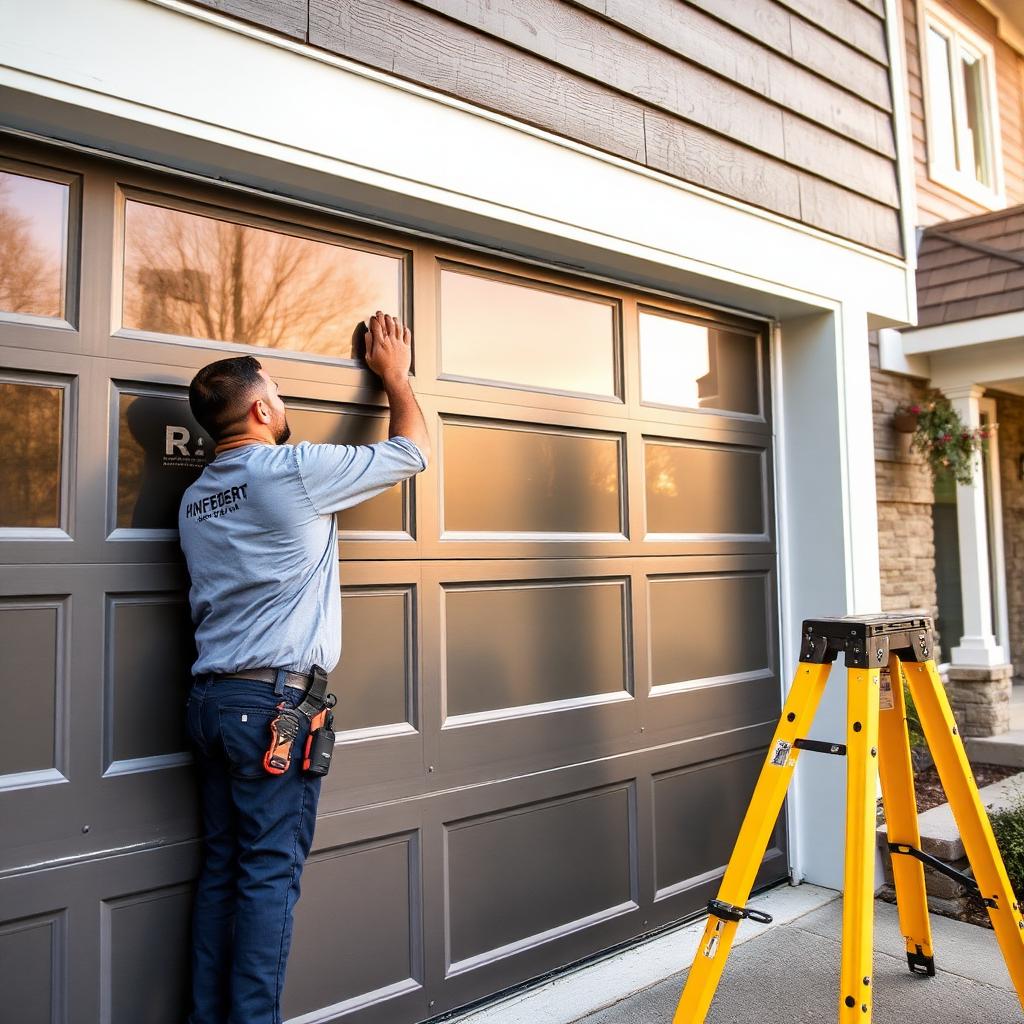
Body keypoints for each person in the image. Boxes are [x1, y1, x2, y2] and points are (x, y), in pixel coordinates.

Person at [179, 311, 429, 1024]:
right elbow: (411, 452)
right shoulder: (287, 471)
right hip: (271, 712)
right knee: (268, 875)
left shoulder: (196, 498)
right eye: (279, 394)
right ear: (261, 410)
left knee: (223, 870)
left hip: (212, 703)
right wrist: (395, 376)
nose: (284, 404)